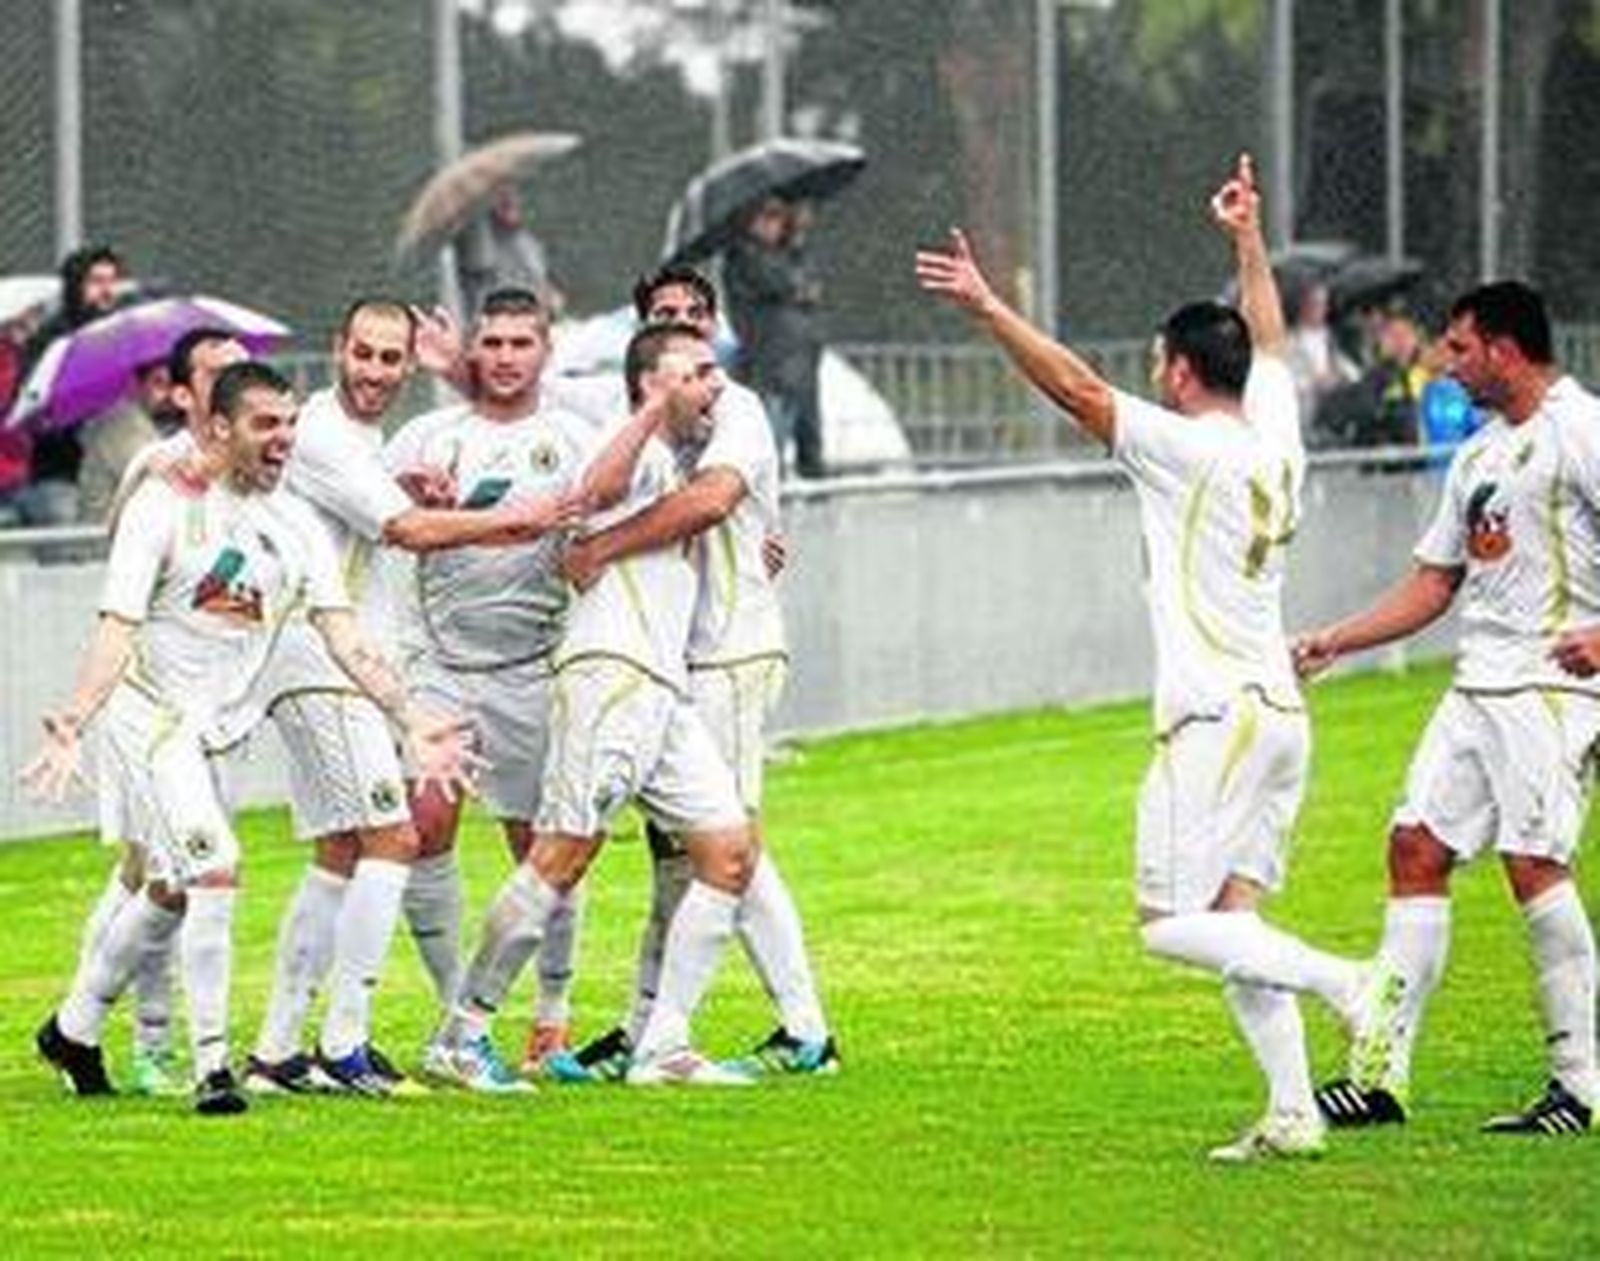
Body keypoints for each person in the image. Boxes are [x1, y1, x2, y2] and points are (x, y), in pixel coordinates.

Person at [916, 155, 1398, 1162]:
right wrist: (1246, 240)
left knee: (1164, 922)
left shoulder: (1184, 446)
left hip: (1214, 714)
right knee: (1231, 918)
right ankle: (1293, 1110)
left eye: (1157, 363)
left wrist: (988, 307)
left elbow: (1075, 387)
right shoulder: (1272, 432)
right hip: (1278, 712)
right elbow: (1269, 334)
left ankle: (1349, 982)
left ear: (1178, 371)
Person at [25, 360, 474, 1116]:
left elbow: (345, 637)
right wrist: (75, 716)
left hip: (216, 728)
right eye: (266, 424)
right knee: (217, 870)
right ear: (219, 426)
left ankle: (73, 1028)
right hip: (148, 716)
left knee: (168, 886)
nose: (284, 438)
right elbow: (116, 627)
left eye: (291, 423)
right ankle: (213, 1073)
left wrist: (409, 717)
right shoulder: (163, 506)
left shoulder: (295, 526)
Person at [434, 322, 822, 1086]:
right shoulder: (631, 439)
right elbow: (594, 492)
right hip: (609, 673)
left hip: (661, 690)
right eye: (700, 373)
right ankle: (462, 1033)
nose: (716, 385)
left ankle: (663, 1045)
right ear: (655, 381)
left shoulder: (675, 455)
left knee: (729, 852)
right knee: (562, 855)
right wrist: (647, 412)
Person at [241, 298, 582, 1096]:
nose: (375, 372)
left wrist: (401, 483)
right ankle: (346, 1044)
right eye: (363, 353)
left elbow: (364, 503)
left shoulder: (354, 439)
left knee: (342, 852)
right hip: (322, 660)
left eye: (391, 359)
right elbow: (406, 531)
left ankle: (280, 1052)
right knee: (397, 838)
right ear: (338, 348)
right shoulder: (322, 428)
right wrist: (515, 516)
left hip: (337, 660)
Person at [1293, 280, 1600, 1137]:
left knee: (1533, 863)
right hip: (1478, 685)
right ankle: (1378, 1077)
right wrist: (1337, 639)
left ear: (1504, 349)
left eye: (1460, 347)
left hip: (1551, 685)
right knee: (1415, 847)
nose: (1446, 362)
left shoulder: (1583, 430)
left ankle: (1579, 1086)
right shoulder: (1479, 454)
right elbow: (1437, 581)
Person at [558, 264, 834, 1081]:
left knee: (728, 845)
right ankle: (648, 1027)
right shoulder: (643, 420)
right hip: (676, 661)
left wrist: (603, 546)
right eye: (666, 317)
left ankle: (792, 1028)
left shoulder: (736, 408)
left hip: (728, 649)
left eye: (695, 315)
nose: (685, 326)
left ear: (713, 330)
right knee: (684, 854)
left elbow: (712, 501)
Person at [380, 288, 597, 1090]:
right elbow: (380, 523)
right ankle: (455, 1015)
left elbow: (603, 531)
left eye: (520, 342)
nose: (506, 355)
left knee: (545, 850)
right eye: (493, 342)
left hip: (536, 666)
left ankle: (550, 1018)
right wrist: (409, 493)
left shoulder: (575, 438)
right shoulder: (427, 436)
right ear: (475, 350)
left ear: (544, 351)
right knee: (424, 827)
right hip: (441, 666)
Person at [17, 244, 128, 524]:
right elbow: (32, 407)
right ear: (75, 286)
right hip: (62, 475)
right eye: (97, 282)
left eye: (112, 281)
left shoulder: (122, 336)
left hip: (112, 471)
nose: (107, 291)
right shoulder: (51, 341)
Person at [723, 197, 825, 479]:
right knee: (770, 441)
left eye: (780, 217)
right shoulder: (745, 255)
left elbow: (806, 286)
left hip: (798, 359)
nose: (774, 224)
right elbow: (780, 284)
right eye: (767, 217)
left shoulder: (790, 254)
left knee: (806, 435)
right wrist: (798, 288)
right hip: (768, 362)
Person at [456, 183, 563, 319]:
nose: (509, 201)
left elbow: (542, 281)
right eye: (501, 197)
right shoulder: (481, 240)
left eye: (512, 196)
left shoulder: (529, 242)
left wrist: (551, 296)